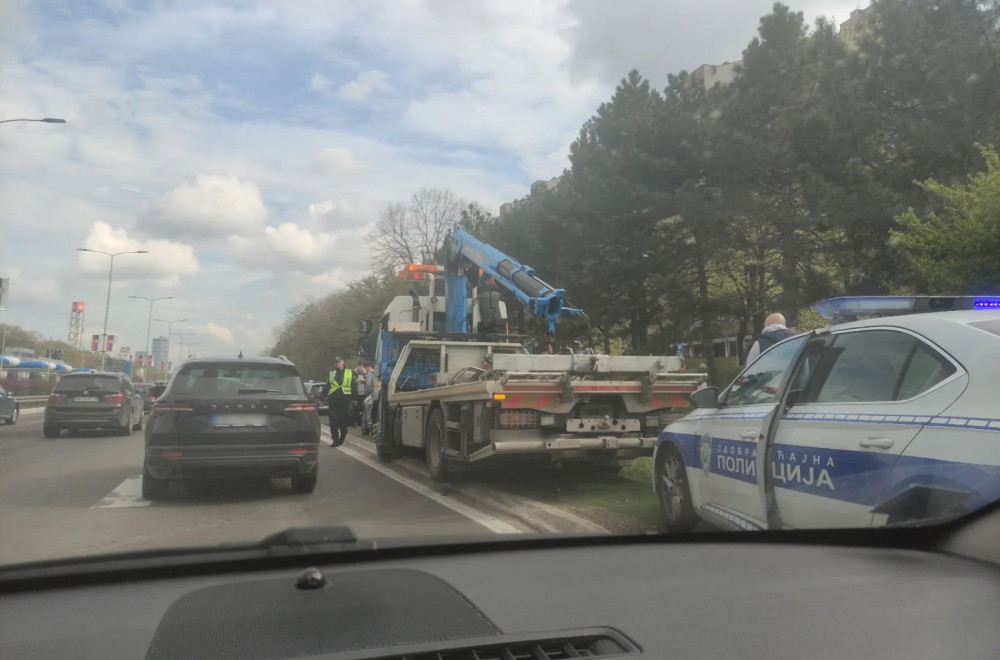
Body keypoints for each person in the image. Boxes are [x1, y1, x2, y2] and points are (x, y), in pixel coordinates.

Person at [327, 356, 353, 447]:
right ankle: (335, 440)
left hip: (344, 401)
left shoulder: (350, 373)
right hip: (333, 401)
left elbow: (353, 386)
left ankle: (343, 435)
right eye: (336, 362)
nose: (338, 363)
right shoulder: (332, 374)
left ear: (343, 362)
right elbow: (327, 386)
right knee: (333, 422)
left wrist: (355, 399)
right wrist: (321, 398)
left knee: (343, 421)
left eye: (339, 362)